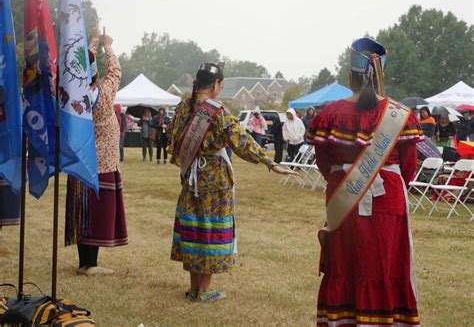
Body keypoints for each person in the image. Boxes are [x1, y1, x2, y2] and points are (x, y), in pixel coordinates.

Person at [307, 37, 422, 326]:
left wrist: (347, 180)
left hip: (344, 198)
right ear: (382, 74)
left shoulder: (329, 114)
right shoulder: (401, 115)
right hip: (389, 201)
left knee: (346, 263)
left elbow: (325, 165)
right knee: (384, 264)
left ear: (350, 76)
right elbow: (408, 168)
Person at [168, 63, 297, 303]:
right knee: (209, 231)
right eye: (221, 85)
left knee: (194, 229)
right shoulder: (217, 111)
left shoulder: (182, 108)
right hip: (214, 180)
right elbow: (242, 142)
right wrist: (269, 162)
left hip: (191, 178)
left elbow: (174, 144)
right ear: (215, 85)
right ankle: (204, 291)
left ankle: (194, 288)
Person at [65, 27, 128, 276]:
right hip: (102, 164)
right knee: (98, 214)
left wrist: (92, 41)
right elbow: (115, 72)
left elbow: (83, 65)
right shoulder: (103, 94)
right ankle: (90, 264)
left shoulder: (72, 97)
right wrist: (108, 46)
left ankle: (84, 262)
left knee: (82, 212)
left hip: (80, 161)